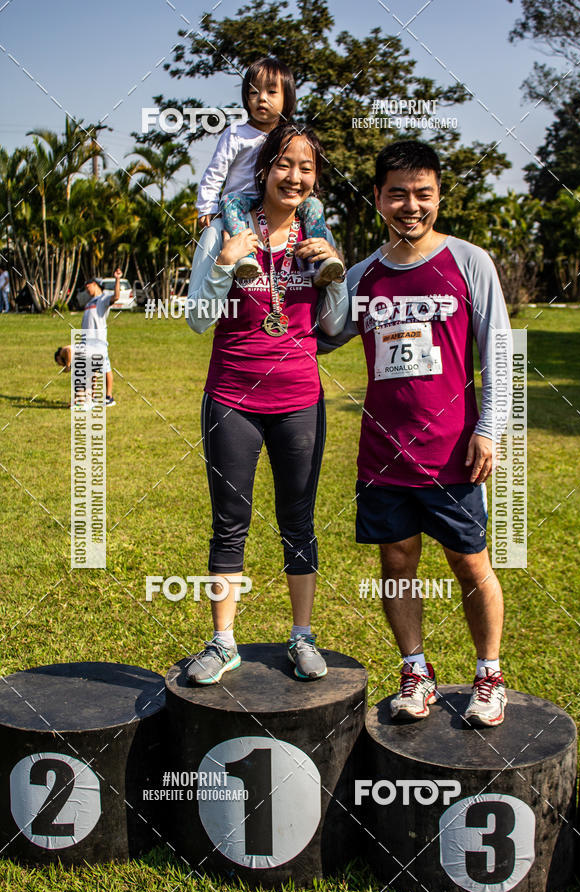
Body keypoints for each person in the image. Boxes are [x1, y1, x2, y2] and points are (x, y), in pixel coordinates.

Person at [319, 140, 512, 727]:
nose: (411, 205)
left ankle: (489, 675)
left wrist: (491, 428)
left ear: (438, 196)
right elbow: (324, 334)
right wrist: (318, 269)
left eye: (422, 193)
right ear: (378, 198)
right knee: (397, 560)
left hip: (454, 450)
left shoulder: (469, 262)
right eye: (397, 193)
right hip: (383, 453)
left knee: (469, 562)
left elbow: (499, 349)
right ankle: (416, 671)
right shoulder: (363, 274)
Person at [186, 122, 347, 685]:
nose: (294, 176)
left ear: (314, 179)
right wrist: (227, 261)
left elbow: (335, 324)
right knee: (229, 523)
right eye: (284, 164)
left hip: (300, 399)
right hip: (232, 398)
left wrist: (334, 273)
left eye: (306, 168)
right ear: (264, 170)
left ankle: (301, 636)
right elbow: (198, 317)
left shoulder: (317, 239)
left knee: (297, 522)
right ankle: (223, 641)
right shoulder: (226, 233)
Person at [196, 56, 344, 287]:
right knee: (231, 203)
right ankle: (246, 259)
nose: (261, 99)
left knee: (315, 205)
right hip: (243, 200)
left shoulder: (288, 137)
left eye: (271, 92)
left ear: (287, 99)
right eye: (253, 92)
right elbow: (215, 172)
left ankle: (320, 262)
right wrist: (207, 206)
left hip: (279, 202)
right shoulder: (236, 134)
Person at [80, 270, 121, 406]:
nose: (87, 289)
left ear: (96, 285)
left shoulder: (103, 299)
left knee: (105, 368)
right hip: (87, 342)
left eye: (89, 286)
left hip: (99, 342)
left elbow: (116, 296)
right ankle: (91, 396)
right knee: (91, 370)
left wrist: (117, 279)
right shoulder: (88, 304)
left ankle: (109, 397)